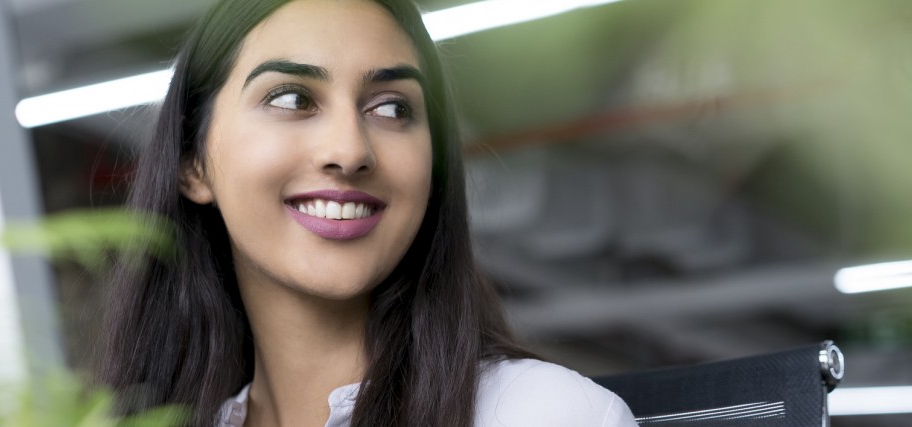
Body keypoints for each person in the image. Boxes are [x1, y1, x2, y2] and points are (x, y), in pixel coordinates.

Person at [95, 0, 638, 426]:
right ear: (194, 164)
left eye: (392, 107)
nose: (350, 150)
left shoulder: (543, 415)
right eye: (291, 99)